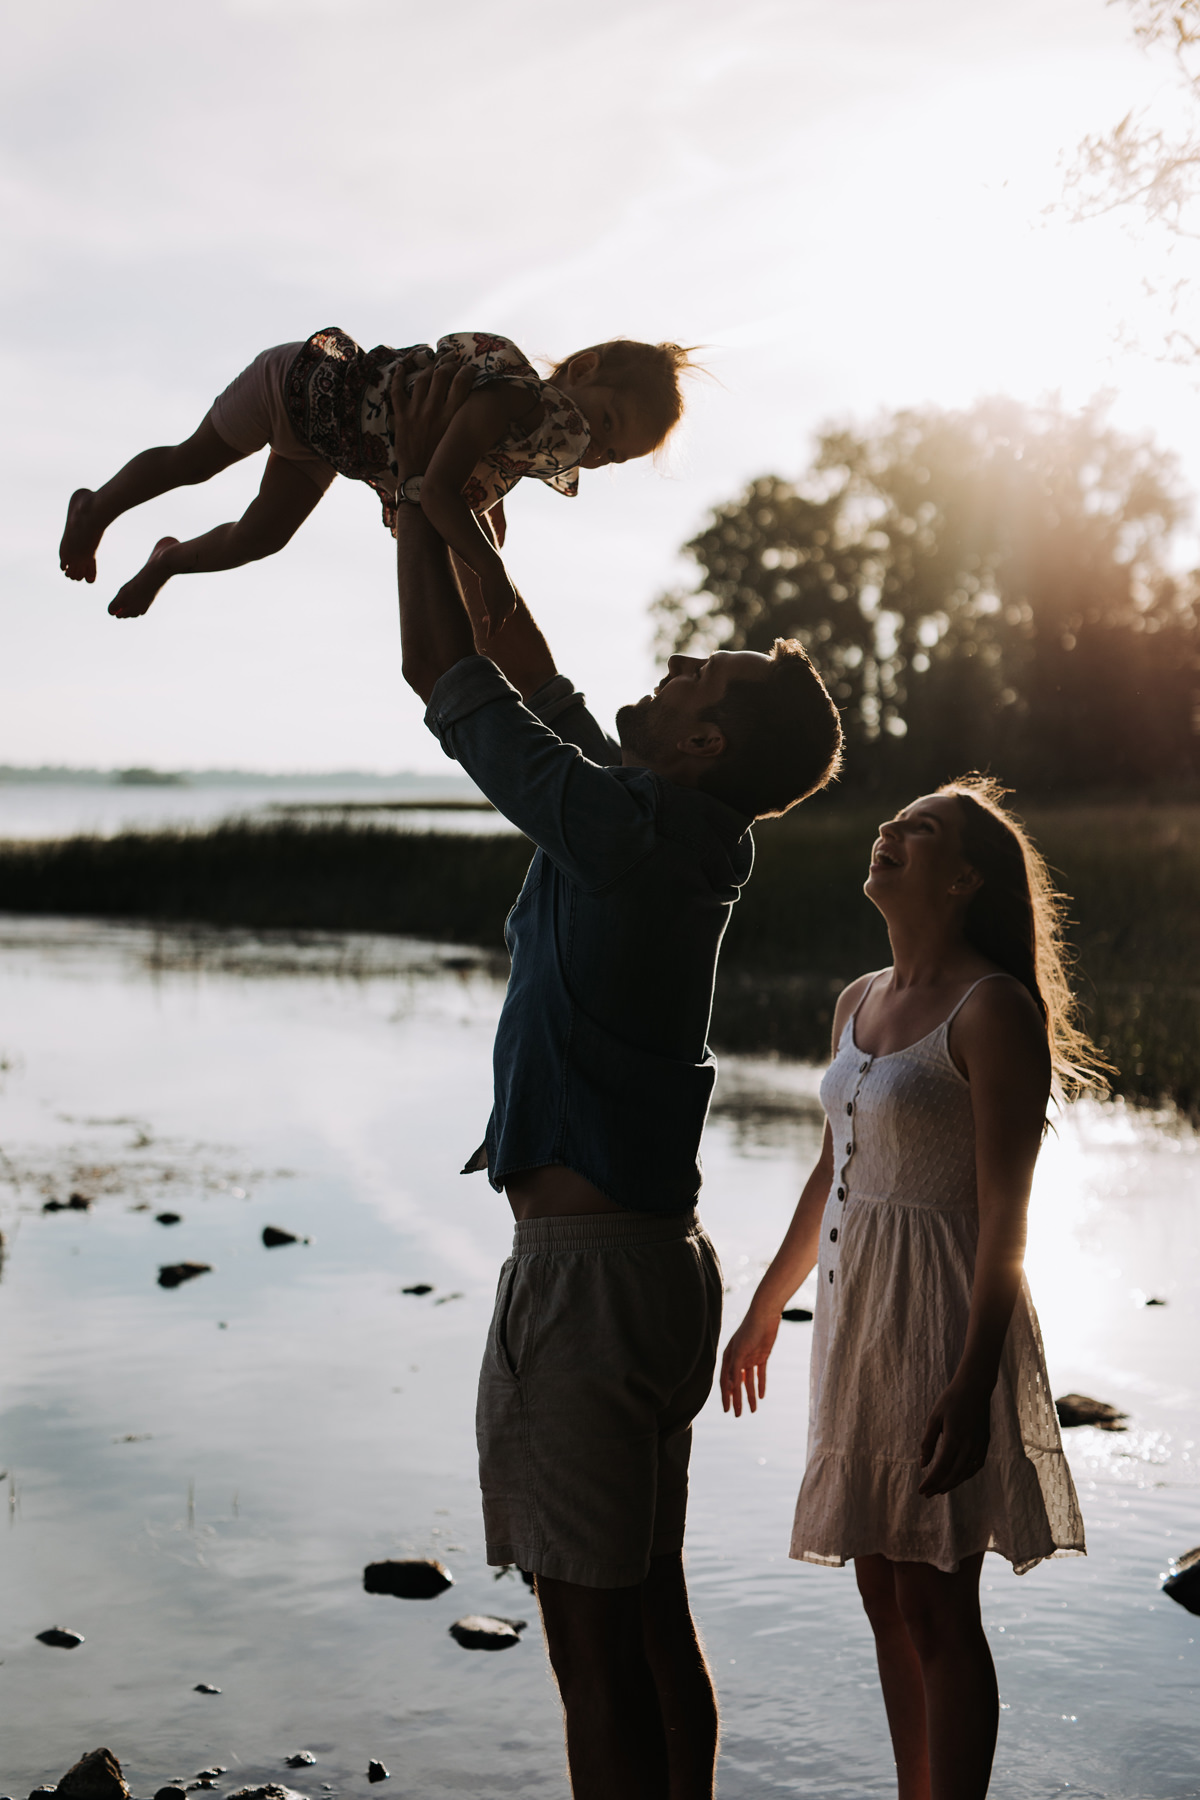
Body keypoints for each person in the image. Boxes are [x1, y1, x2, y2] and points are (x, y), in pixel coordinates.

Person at [389, 354, 842, 1800]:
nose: (664, 671)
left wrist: (414, 503)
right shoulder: (671, 826)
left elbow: (447, 684)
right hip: (657, 1264)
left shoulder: (633, 833)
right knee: (651, 1614)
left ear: (706, 742)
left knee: (592, 1653)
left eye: (693, 676)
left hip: (587, 1283)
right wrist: (456, 526)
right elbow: (538, 681)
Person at [720, 778, 1102, 1800]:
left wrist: (975, 1383)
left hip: (941, 1318)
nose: (888, 833)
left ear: (965, 878)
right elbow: (828, 1166)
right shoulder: (858, 998)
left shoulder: (993, 1010)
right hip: (857, 1319)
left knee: (938, 1601)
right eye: (890, 823)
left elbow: (1008, 1219)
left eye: (917, 831)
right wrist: (764, 1308)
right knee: (882, 1589)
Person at [58, 327, 695, 624]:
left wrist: (484, 522)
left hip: (326, 446)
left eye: (616, 457)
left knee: (262, 536)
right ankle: (97, 507)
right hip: (298, 387)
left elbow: (457, 486)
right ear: (582, 367)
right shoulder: (512, 393)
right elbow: (438, 492)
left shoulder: (524, 445)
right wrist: (492, 572)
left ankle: (167, 561)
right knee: (192, 463)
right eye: (608, 423)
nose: (598, 450)